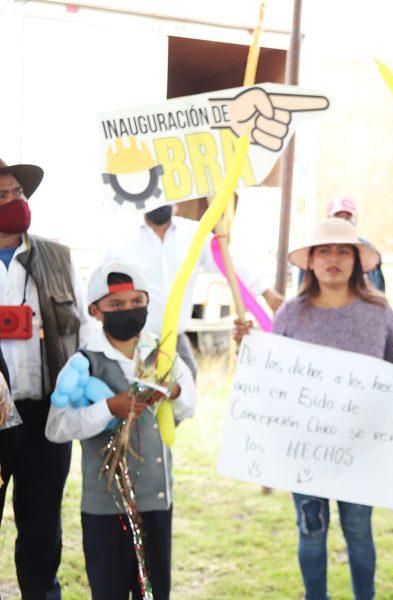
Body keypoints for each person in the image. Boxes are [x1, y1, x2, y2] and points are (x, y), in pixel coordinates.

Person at [235, 217, 393, 600]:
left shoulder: (378, 311)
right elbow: (271, 377)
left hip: (361, 450)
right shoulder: (290, 314)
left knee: (359, 531)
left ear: (357, 261)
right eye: (324, 250)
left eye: (343, 251)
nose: (334, 258)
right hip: (305, 448)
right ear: (309, 261)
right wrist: (249, 348)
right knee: (311, 530)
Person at [45, 261, 196, 599]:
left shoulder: (163, 354)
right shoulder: (83, 362)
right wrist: (107, 409)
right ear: (96, 311)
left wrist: (173, 392)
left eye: (136, 302)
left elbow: (189, 406)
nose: (128, 310)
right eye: (116, 305)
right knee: (109, 589)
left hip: (156, 502)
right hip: (105, 508)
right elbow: (56, 428)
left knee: (154, 591)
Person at [0, 157, 93, 599]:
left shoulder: (57, 257)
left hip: (44, 416)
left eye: (17, 193)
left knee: (41, 530)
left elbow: (87, 331)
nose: (13, 201)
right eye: (1, 196)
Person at [103, 202, 283, 379]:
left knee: (187, 391)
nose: (161, 202)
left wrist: (266, 293)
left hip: (176, 340)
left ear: (176, 202)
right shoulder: (123, 239)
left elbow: (229, 263)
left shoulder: (194, 234)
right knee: (140, 401)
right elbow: (101, 288)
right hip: (134, 341)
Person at [297, 197, 386, 292]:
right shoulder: (314, 246)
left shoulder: (366, 249)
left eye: (348, 218)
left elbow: (377, 288)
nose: (334, 258)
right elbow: (303, 288)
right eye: (324, 251)